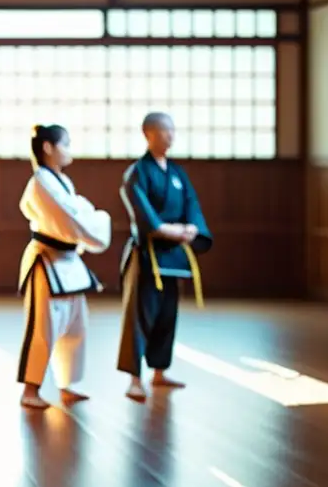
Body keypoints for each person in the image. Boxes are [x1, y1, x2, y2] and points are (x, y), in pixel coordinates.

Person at [117, 111, 212, 401]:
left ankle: (159, 371)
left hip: (173, 258)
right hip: (147, 254)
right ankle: (135, 378)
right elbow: (144, 215)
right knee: (140, 316)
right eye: (164, 131)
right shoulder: (137, 173)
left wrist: (192, 229)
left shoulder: (177, 174)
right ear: (148, 134)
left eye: (172, 130)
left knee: (167, 315)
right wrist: (168, 230)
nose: (170, 136)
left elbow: (192, 205)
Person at [16, 124, 112, 409]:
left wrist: (88, 219)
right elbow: (74, 218)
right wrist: (94, 221)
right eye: (65, 144)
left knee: (75, 324)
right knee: (43, 327)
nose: (69, 150)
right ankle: (30, 390)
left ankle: (67, 383)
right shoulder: (40, 182)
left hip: (69, 262)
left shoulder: (61, 181)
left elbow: (77, 213)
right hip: (46, 260)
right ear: (48, 147)